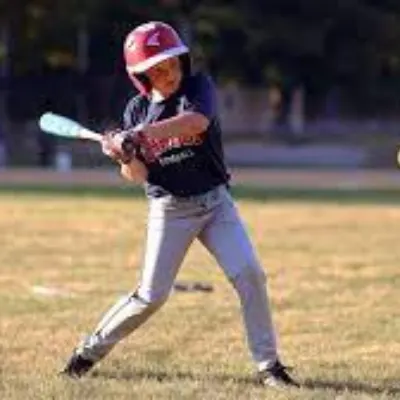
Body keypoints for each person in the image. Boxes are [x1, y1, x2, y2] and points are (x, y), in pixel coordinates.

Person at [61, 21, 299, 389]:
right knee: (150, 297)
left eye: (171, 63)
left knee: (250, 274)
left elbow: (196, 123)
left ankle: (269, 366)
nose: (168, 73)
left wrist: (137, 135)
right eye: (156, 69)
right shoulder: (136, 111)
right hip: (170, 209)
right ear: (141, 77)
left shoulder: (196, 88)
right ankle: (87, 353)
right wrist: (122, 155)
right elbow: (138, 175)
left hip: (216, 203)